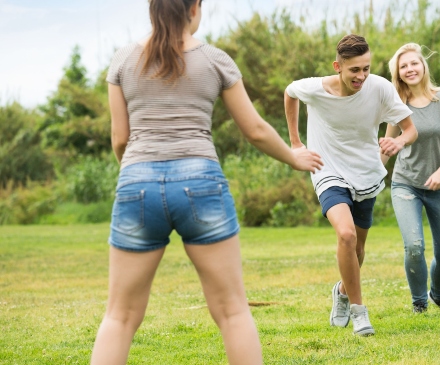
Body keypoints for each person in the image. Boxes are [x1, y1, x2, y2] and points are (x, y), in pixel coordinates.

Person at [90, 1, 323, 364]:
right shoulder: (215, 60)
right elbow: (256, 130)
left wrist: (139, 177)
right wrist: (293, 156)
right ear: (194, 7)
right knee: (232, 311)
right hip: (200, 181)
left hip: (137, 181)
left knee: (119, 317)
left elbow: (120, 139)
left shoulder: (122, 60)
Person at [284, 34, 417, 336]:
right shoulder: (316, 89)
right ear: (338, 67)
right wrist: (295, 143)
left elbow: (410, 130)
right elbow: (289, 92)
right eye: (354, 70)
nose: (361, 76)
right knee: (345, 235)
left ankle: (343, 291)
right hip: (326, 168)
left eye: (366, 68)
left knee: (357, 250)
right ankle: (359, 312)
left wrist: (397, 141)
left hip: (366, 172)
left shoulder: (380, 88)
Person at [384, 43, 440, 313]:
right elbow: (388, 145)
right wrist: (370, 177)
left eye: (414, 63)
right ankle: (419, 303)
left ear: (423, 66)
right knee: (414, 246)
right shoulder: (396, 105)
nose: (410, 69)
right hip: (405, 183)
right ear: (398, 73)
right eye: (403, 66)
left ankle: (439, 294)